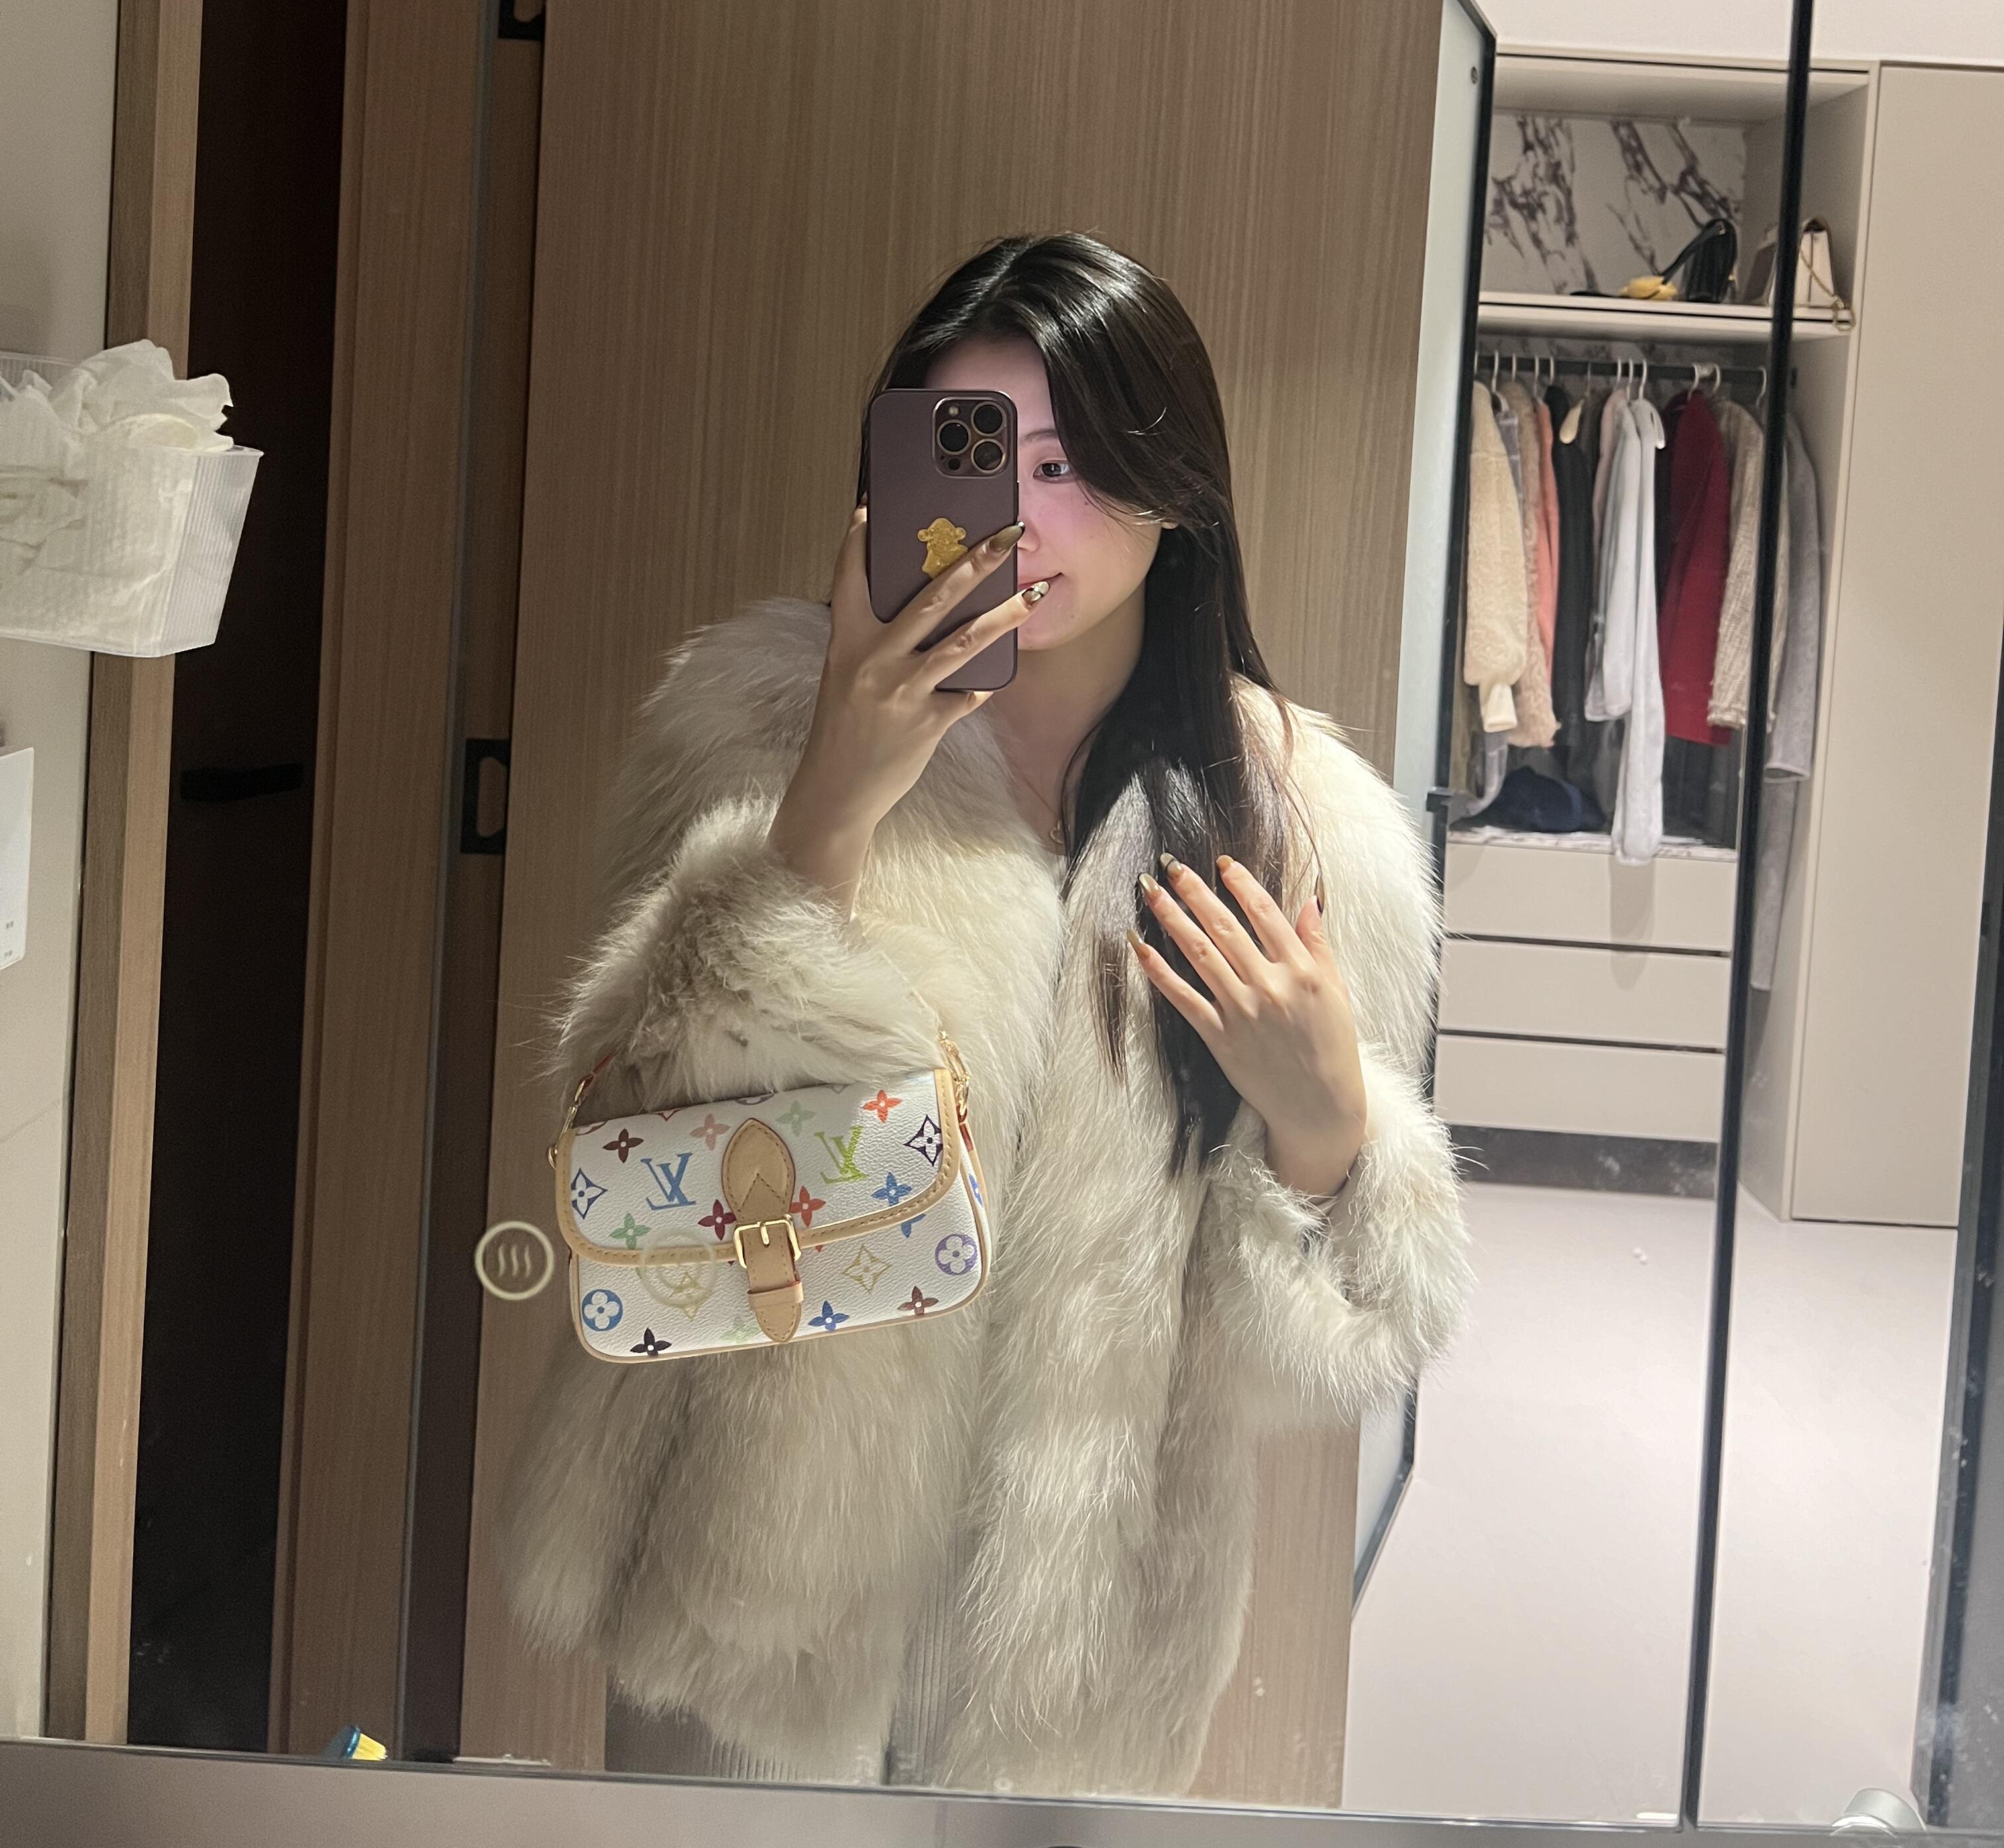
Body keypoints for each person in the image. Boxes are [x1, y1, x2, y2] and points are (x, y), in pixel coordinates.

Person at [498, 233, 1471, 1798]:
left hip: (1068, 1665)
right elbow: (634, 1164)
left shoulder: (1303, 830)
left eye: (1070, 461)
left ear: (1174, 483)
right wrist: (828, 801)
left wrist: (1327, 1129)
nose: (1019, 508)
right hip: (748, 1591)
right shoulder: (754, 722)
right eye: (972, 451)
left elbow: (1296, 1368)